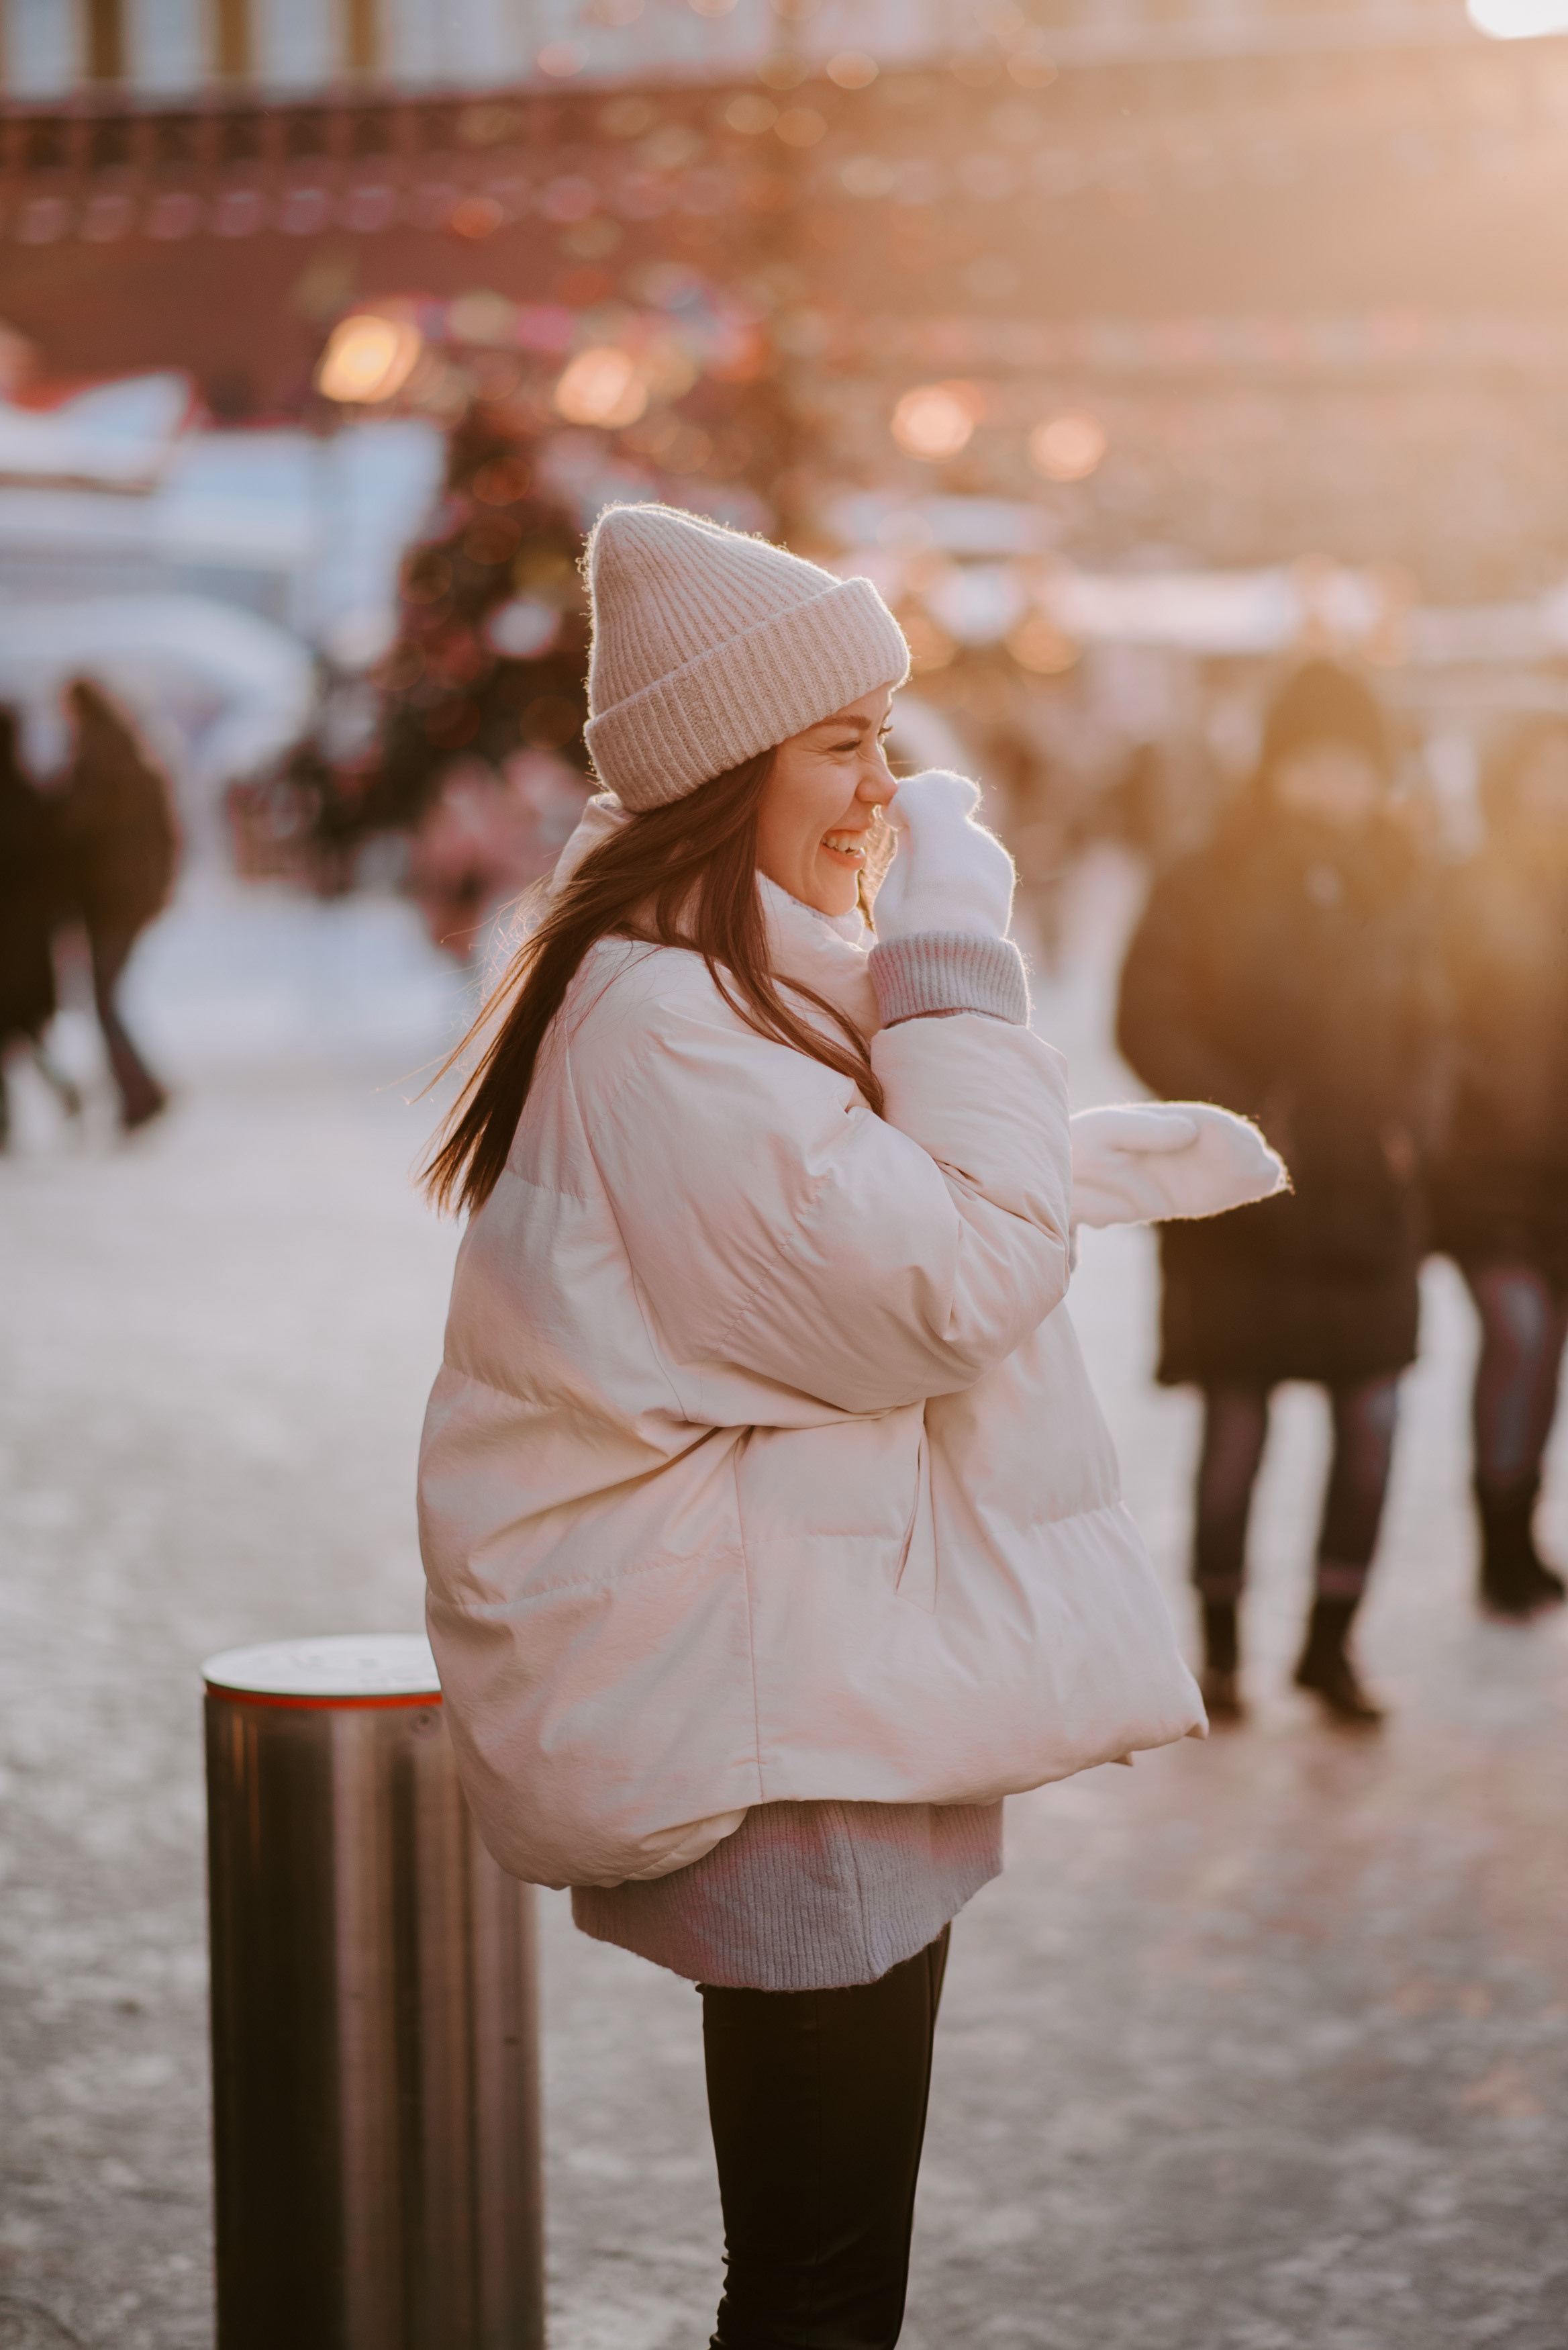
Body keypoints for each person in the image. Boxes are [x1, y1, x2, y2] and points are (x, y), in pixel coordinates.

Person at [416, 506, 1277, 2350]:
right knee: (814, 2289)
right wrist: (956, 953)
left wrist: (1092, 1147)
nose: (890, 784)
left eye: (888, 734)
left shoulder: (722, 981)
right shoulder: (669, 1020)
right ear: (729, 776)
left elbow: (871, 1205)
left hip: (821, 1683)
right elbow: (949, 1275)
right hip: (786, 1714)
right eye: (846, 741)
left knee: (823, 2272)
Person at [1117, 661, 1443, 1728]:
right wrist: (1246, 1114)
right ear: (1278, 767)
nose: (1336, 788)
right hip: (1243, 1201)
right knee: (1235, 1432)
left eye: (1355, 767)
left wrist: (1411, 1130)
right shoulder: (1205, 878)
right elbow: (1149, 1016)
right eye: (1317, 764)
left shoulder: (1405, 878)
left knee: (1374, 1427)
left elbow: (1443, 1021)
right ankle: (1218, 1655)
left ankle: (1331, 1651)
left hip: (1367, 1202)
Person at [1428, 718, 1568, 1618]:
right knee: (1515, 1334)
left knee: (1545, 1349)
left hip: (1562, 1164)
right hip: (1488, 1164)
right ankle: (1495, 1536)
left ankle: (1524, 1530)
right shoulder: (1468, 889)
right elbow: (1435, 1021)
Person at [57, 676, 179, 1132]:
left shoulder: (95, 766)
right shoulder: (137, 759)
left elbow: (79, 834)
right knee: (107, 1000)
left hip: (109, 902)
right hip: (129, 900)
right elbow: (168, 836)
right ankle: (141, 1089)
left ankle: (141, 1092)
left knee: (105, 1001)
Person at [0, 704, 80, 1145]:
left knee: (17, 1029)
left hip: (13, 935)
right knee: (25, 1029)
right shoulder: (35, 795)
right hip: (31, 936)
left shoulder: (21, 799)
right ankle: (62, 1092)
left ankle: (12, 1118)